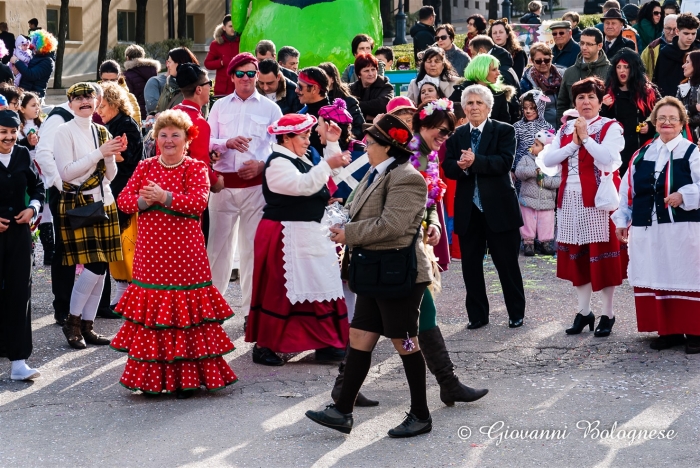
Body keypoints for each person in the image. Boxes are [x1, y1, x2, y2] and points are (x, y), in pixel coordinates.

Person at [305, 114, 435, 438]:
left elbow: (393, 226)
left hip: (399, 275)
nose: (366, 144)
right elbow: (359, 209)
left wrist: (348, 233)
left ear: (387, 147)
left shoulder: (407, 177)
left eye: (372, 141)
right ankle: (342, 410)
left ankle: (420, 414)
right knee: (360, 337)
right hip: (378, 272)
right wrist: (340, 218)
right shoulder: (377, 173)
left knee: (405, 342)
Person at [111, 109, 238, 397]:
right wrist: (147, 201)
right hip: (151, 256)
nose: (169, 141)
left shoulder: (195, 168)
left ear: (187, 139)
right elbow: (124, 202)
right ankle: (152, 380)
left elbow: (197, 204)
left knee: (185, 316)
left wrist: (163, 197)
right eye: (163, 135)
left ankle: (188, 379)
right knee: (155, 318)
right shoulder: (144, 167)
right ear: (156, 138)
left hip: (186, 257)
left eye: (175, 135)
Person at [245, 113, 350, 363]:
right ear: (286, 138)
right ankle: (266, 346)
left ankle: (325, 342)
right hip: (283, 235)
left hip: (304, 232)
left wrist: (332, 144)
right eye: (303, 137)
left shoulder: (298, 158)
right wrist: (327, 164)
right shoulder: (278, 163)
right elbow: (303, 186)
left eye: (307, 136)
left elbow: (326, 180)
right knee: (280, 291)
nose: (307, 141)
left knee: (316, 285)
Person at [206, 53, 282, 365]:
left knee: (252, 254)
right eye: (241, 73)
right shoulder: (219, 105)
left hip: (254, 188)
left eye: (251, 73)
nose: (247, 78)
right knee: (217, 252)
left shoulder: (271, 107)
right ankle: (212, 313)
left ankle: (253, 315)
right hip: (223, 186)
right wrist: (226, 143)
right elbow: (207, 140)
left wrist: (263, 165)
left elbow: (280, 146)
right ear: (232, 75)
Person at [612, 96, 700, 354]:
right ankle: (668, 330)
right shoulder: (641, 154)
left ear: (682, 122)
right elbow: (628, 190)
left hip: (682, 229)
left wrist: (685, 195)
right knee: (657, 273)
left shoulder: (692, 153)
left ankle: (695, 331)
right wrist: (622, 220)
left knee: (686, 273)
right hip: (647, 228)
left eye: (673, 118)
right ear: (653, 121)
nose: (667, 122)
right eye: (661, 118)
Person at [542, 77, 627, 338]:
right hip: (569, 199)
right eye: (580, 98)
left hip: (600, 200)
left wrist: (587, 139)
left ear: (600, 102)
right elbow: (548, 160)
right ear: (575, 103)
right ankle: (583, 310)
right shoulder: (565, 130)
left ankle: (608, 313)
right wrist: (574, 143)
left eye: (591, 97)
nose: (586, 102)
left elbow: (609, 161)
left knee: (602, 257)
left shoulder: (611, 127)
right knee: (577, 256)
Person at [442, 84, 526, 330]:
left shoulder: (504, 130)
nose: (474, 107)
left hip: (500, 209)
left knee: (507, 264)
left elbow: (504, 162)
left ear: (489, 107)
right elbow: (448, 167)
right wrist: (462, 166)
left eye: (479, 103)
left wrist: (475, 161)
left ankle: (516, 313)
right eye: (469, 103)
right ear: (464, 108)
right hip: (470, 211)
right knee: (470, 266)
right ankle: (477, 315)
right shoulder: (457, 136)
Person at [54, 83, 127, 350]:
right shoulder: (64, 131)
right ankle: (72, 322)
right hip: (79, 204)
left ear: (96, 101)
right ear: (70, 103)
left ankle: (88, 325)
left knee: (102, 267)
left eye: (89, 97)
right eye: (78, 98)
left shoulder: (101, 130)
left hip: (104, 203)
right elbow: (66, 173)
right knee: (94, 267)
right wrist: (100, 152)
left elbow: (110, 176)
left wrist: (110, 155)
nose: (85, 101)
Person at [0, 109, 44, 381]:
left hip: (18, 235)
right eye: (3, 132)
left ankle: (18, 361)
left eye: (13, 132)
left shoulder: (23, 154)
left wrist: (33, 208)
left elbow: (39, 187)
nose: (8, 137)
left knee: (19, 293)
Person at [96, 81, 144, 312]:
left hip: (125, 192)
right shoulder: (113, 124)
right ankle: (123, 291)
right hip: (115, 190)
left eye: (102, 105)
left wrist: (102, 154)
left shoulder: (126, 125)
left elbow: (129, 159)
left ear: (115, 104)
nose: (99, 110)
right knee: (116, 245)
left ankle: (131, 294)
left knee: (127, 245)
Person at [172, 63, 224, 241]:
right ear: (199, 89)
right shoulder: (199, 122)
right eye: (209, 82)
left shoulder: (172, 113)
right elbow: (200, 166)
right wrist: (217, 182)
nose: (211, 86)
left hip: (168, 189)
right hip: (190, 196)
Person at [602, 49, 659, 172]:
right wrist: (603, 106)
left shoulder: (648, 92)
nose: (622, 70)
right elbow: (598, 122)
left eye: (626, 67)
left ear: (634, 69)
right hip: (617, 152)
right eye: (619, 67)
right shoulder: (607, 92)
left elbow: (661, 115)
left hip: (642, 150)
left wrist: (650, 127)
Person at [515, 129, 560, 256]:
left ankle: (545, 242)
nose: (532, 147)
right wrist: (534, 171)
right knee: (527, 221)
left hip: (546, 201)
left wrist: (544, 181)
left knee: (547, 222)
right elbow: (519, 172)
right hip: (528, 199)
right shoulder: (526, 159)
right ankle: (528, 242)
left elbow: (558, 181)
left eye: (536, 145)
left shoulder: (553, 164)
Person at [18, 92, 50, 264]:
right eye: (32, 105)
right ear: (21, 108)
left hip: (42, 171)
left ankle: (48, 250)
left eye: (38, 104)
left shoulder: (43, 125)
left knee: (46, 210)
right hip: (26, 171)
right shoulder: (17, 128)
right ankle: (30, 245)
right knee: (28, 207)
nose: (37, 108)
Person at [557, 28, 611, 124]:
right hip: (573, 127)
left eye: (589, 44)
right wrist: (562, 129)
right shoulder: (569, 72)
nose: (584, 47)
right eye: (582, 43)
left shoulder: (610, 71)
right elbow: (562, 104)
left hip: (601, 127)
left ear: (599, 46)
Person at [454, 54, 518, 124]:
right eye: (494, 69)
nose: (498, 73)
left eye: (497, 69)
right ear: (481, 71)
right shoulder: (461, 91)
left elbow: (505, 122)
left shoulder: (499, 94)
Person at [513, 90, 555, 193]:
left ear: (540, 108)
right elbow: (512, 150)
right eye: (525, 108)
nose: (528, 111)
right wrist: (512, 169)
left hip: (542, 171)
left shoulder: (547, 127)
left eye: (532, 108)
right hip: (522, 171)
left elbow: (552, 150)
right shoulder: (517, 127)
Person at [654, 13, 700, 98]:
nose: (690, 37)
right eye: (686, 33)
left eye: (693, 33)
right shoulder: (666, 52)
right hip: (669, 100)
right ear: (677, 31)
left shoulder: (698, 52)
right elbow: (659, 80)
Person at [318, 61, 365, 140]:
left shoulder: (349, 101)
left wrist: (343, 138)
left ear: (332, 79)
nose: (320, 81)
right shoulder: (315, 100)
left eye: (323, 77)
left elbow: (360, 128)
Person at [521, 42, 562, 128]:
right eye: (538, 61)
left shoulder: (562, 76)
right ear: (532, 61)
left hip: (562, 126)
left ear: (551, 58)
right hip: (539, 129)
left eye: (546, 60)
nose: (543, 63)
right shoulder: (526, 82)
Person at [296, 66, 332, 155]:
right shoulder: (303, 112)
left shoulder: (329, 118)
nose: (296, 90)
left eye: (300, 87)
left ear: (314, 89)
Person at [10, 30, 56, 99]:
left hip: (34, 97)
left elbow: (31, 75)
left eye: (35, 44)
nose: (32, 46)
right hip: (26, 94)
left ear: (42, 46)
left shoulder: (47, 61)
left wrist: (16, 61)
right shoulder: (36, 56)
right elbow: (26, 70)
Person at [348, 54, 393, 123]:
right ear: (359, 74)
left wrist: (355, 106)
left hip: (380, 128)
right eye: (366, 71)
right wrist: (368, 116)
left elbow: (382, 105)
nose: (371, 73)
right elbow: (346, 108)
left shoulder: (386, 86)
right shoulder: (351, 89)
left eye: (373, 69)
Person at [204, 14, 240, 97]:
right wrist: (221, 62)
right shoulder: (216, 44)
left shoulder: (242, 42)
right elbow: (207, 63)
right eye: (230, 26)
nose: (233, 29)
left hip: (239, 86)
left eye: (235, 26)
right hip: (223, 88)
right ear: (224, 28)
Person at [155, 47, 198, 113]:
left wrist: (163, 117)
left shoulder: (197, 86)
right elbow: (159, 107)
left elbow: (195, 115)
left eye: (169, 62)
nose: (167, 66)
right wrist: (153, 114)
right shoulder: (169, 82)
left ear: (180, 63)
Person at [99, 60, 141, 126]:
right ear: (101, 79)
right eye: (105, 80)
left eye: (113, 80)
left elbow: (136, 125)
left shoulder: (129, 98)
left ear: (118, 78)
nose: (109, 83)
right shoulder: (94, 97)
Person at [123, 44, 160, 119]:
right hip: (153, 113)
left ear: (127, 58)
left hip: (137, 114)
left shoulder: (127, 75)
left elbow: (128, 98)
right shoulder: (152, 71)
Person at [641, 14, 677, 80]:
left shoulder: (686, 47)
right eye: (668, 28)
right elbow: (641, 70)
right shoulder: (651, 48)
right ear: (663, 28)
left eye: (675, 29)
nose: (672, 32)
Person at [679, 51, 700, 144]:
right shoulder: (682, 86)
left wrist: (682, 120)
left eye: (687, 62)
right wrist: (693, 108)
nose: (683, 66)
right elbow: (676, 111)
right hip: (683, 137)